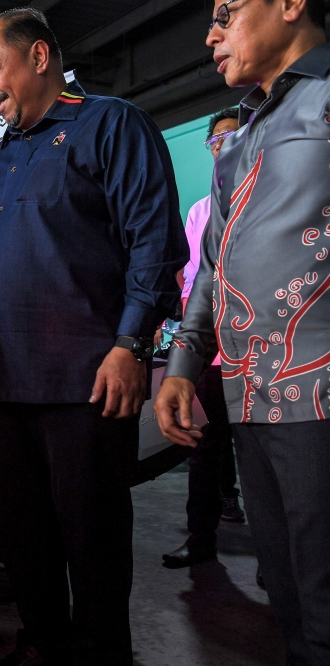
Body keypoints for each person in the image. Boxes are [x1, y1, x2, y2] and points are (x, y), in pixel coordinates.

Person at [0, 10, 186, 665]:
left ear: (39, 57)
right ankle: (43, 645)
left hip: (83, 380)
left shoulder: (110, 124)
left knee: (91, 545)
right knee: (23, 540)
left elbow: (154, 242)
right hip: (2, 382)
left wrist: (130, 344)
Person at [156, 1, 330, 662]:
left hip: (320, 396)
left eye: (227, 9)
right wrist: (182, 362)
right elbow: (213, 268)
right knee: (285, 595)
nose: (211, 33)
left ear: (290, 4)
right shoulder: (240, 142)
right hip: (251, 401)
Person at [161, 108, 244, 571]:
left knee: (260, 458)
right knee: (202, 451)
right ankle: (200, 540)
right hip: (210, 354)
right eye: (216, 142)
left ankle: (275, 561)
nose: (224, 146)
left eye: (234, 137)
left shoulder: (266, 195)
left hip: (257, 354)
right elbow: (195, 282)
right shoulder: (200, 212)